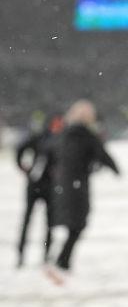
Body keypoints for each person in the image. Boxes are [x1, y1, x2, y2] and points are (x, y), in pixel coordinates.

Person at [51, 99, 120, 273]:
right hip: (77, 184)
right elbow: (101, 154)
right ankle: (63, 260)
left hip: (64, 183)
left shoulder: (65, 134)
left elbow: (54, 154)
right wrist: (114, 168)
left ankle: (61, 258)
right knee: (78, 223)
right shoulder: (86, 135)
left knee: (70, 222)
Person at [14, 112, 63, 267]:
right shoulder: (40, 137)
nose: (58, 126)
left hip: (50, 187)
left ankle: (46, 256)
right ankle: (21, 255)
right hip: (34, 185)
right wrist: (23, 167)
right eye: (56, 123)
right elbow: (20, 149)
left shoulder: (61, 139)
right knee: (28, 220)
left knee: (50, 223)